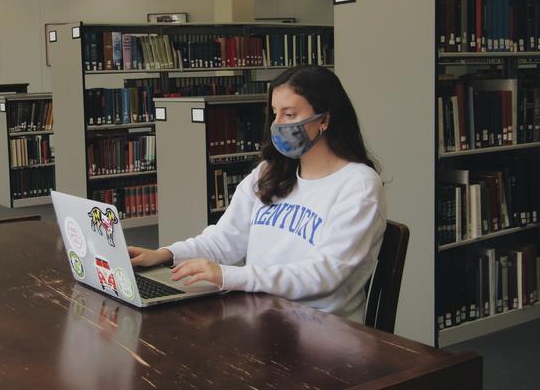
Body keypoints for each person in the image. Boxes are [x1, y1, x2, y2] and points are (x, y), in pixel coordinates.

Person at [128, 65, 387, 323]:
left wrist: (230, 276)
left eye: (290, 114)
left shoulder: (358, 185)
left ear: (324, 119)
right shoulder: (267, 173)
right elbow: (223, 241)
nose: (277, 125)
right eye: (275, 114)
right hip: (264, 320)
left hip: (324, 333)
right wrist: (164, 255)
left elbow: (324, 274)